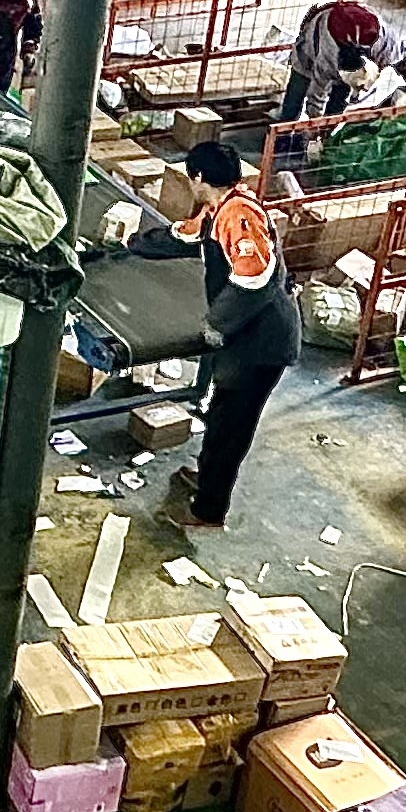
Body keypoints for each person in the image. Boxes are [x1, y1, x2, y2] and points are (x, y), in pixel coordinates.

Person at [151, 141, 294, 532]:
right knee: (220, 415)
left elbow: (254, 278)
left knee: (232, 426)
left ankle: (207, 513)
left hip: (262, 341)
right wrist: (134, 245)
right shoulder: (221, 207)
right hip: (245, 335)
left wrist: (217, 323)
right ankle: (206, 481)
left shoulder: (239, 215)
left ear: (198, 178)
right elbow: (185, 235)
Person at [279, 0, 406, 138]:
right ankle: (281, 136)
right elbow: (316, 98)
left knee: (339, 101)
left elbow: (402, 57)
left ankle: (326, 137)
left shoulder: (384, 42)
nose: (361, 90)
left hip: (351, 33)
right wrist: (313, 129)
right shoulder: (328, 59)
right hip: (313, 44)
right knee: (297, 91)